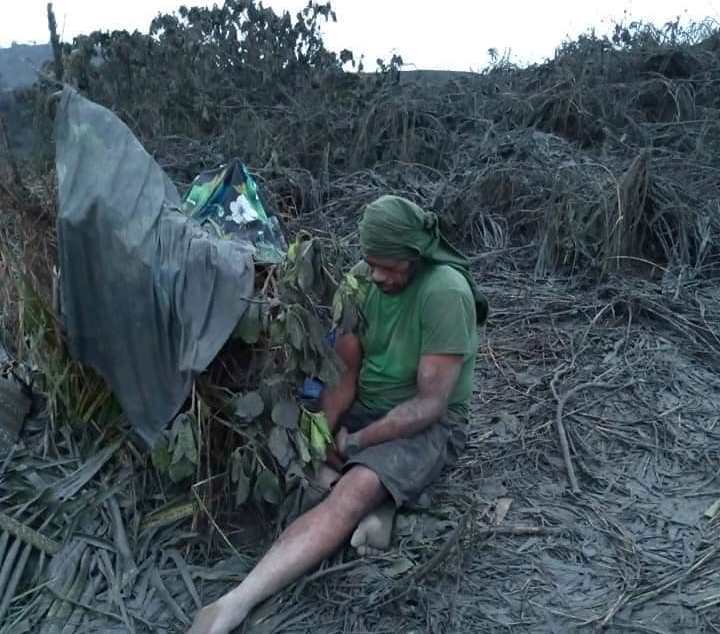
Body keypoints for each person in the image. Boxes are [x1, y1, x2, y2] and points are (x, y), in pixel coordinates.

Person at [188, 195, 488, 634]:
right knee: (302, 459)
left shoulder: (445, 292)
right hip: (368, 409)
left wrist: (358, 444)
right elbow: (345, 373)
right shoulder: (359, 282)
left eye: (390, 266)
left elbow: (430, 404)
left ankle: (236, 601)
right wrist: (324, 432)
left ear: (416, 255)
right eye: (372, 264)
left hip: (427, 425)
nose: (379, 276)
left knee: (348, 493)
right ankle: (382, 503)